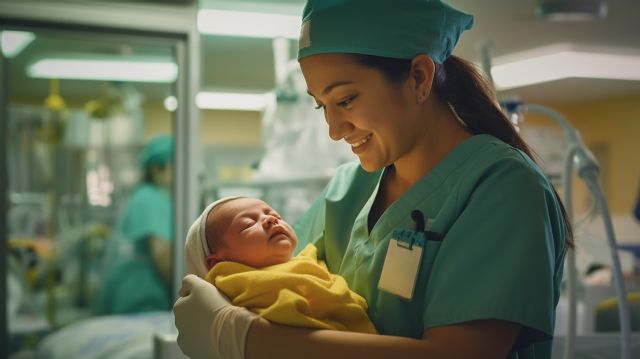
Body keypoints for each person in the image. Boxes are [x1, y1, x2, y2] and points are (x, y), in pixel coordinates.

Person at [173, 1, 574, 358]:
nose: (333, 129)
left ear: (418, 77)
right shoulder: (348, 189)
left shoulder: (503, 188)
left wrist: (248, 340)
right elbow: (268, 278)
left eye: (345, 100)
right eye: (322, 106)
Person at [184, 196, 377, 334]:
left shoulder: (309, 261)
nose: (270, 220)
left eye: (275, 215)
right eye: (248, 224)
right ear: (219, 263)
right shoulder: (234, 284)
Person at [99, 135, 174, 314]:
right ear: (157, 169)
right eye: (175, 167)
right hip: (140, 296)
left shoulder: (153, 197)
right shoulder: (149, 198)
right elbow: (162, 254)